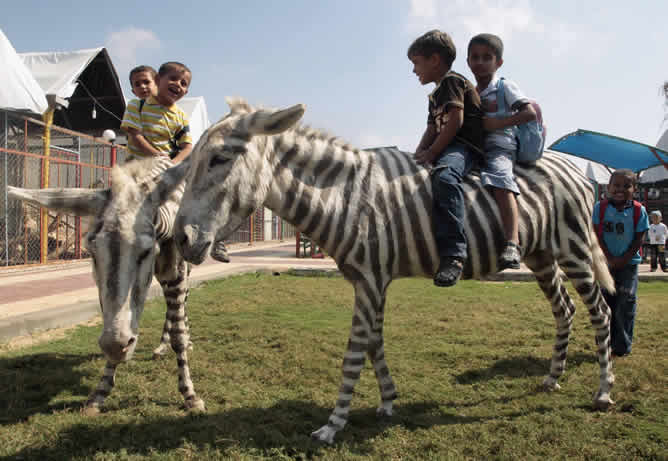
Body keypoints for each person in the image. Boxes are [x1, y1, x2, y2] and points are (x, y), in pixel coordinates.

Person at [121, 62, 230, 262]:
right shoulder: (137, 105)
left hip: (167, 166)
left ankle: (217, 237)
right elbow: (135, 135)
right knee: (116, 202)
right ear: (158, 81)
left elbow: (187, 146)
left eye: (183, 83)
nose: (178, 84)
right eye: (173, 79)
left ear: (186, 90)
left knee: (201, 194)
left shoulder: (180, 116)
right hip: (138, 167)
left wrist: (174, 164)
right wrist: (157, 156)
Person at [408, 30, 485, 287]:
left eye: (416, 63)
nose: (414, 70)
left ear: (434, 60)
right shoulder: (435, 94)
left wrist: (431, 153)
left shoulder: (451, 81)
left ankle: (454, 254)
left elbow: (455, 121)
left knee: (444, 176)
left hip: (464, 146)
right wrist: (417, 154)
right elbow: (431, 129)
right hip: (448, 145)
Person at [467, 33, 537, 270]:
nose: (480, 62)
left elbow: (529, 113)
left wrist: (495, 124)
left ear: (499, 62)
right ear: (468, 61)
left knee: (499, 178)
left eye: (487, 57)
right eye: (475, 57)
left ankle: (512, 241)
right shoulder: (472, 92)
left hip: (499, 146)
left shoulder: (504, 86)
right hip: (476, 148)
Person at [593, 169, 649, 358]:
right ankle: (604, 343)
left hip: (629, 264)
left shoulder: (638, 210)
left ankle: (622, 346)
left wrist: (624, 259)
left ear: (634, 189)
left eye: (627, 186)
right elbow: (596, 234)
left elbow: (639, 237)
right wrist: (608, 257)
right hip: (605, 264)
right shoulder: (599, 208)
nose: (620, 189)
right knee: (605, 303)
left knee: (625, 303)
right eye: (616, 185)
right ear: (608, 187)